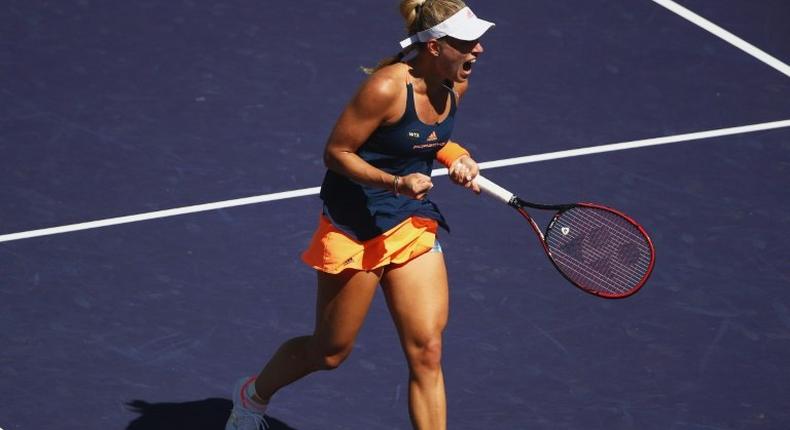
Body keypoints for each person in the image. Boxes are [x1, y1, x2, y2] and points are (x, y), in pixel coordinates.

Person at [226, 1, 494, 429]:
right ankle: (252, 396)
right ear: (434, 47)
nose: (478, 50)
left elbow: (428, 138)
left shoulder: (453, 84)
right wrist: (394, 183)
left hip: (409, 221)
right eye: (466, 42)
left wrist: (458, 156)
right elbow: (336, 153)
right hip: (355, 229)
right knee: (329, 352)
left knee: (427, 350)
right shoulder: (387, 89)